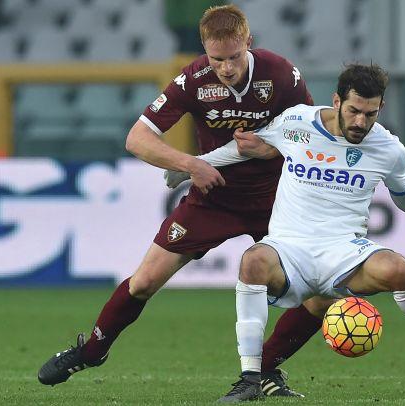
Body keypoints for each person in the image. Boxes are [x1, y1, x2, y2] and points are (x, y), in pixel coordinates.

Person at [37, 5, 330, 397]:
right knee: (143, 282)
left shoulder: (281, 75)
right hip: (213, 198)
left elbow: (314, 138)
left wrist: (268, 151)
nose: (225, 68)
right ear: (204, 50)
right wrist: (191, 164)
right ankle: (91, 351)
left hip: (278, 200)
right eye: (217, 58)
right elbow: (136, 139)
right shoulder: (194, 80)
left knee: (322, 294)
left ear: (249, 43)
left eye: (233, 57)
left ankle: (265, 368)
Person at [192, 64, 405, 402]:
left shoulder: (389, 149)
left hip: (344, 253)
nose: (360, 122)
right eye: (354, 111)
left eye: (370, 113)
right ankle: (250, 379)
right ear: (337, 101)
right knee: (253, 261)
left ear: (379, 108)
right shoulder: (297, 121)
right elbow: (247, 146)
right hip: (288, 248)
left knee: (401, 271)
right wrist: (193, 166)